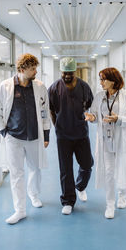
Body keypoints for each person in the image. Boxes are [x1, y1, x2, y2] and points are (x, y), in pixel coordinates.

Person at [0, 53, 50, 224]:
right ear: (22, 69)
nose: (36, 72)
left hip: (34, 136)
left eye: (36, 68)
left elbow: (45, 111)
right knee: (16, 174)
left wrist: (46, 135)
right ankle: (20, 210)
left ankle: (34, 195)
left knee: (35, 168)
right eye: (33, 69)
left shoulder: (40, 87)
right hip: (14, 138)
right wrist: (4, 132)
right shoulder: (5, 87)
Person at [85, 67, 126, 219]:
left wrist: (119, 119)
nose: (101, 82)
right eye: (100, 79)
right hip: (105, 140)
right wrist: (92, 118)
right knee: (109, 172)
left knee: (122, 167)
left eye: (103, 79)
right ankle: (110, 204)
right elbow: (96, 114)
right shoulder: (99, 96)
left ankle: (122, 195)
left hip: (122, 139)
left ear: (113, 81)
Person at [48, 57, 94, 215]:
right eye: (64, 72)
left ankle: (80, 187)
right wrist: (57, 127)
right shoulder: (54, 88)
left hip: (81, 133)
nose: (67, 75)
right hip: (63, 136)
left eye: (70, 72)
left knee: (87, 164)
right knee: (65, 169)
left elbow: (89, 105)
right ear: (61, 71)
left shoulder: (84, 87)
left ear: (75, 71)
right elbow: (51, 110)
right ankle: (68, 201)